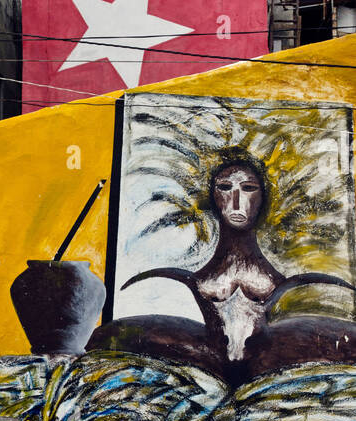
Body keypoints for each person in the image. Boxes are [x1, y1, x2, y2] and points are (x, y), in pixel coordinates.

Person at [88, 156, 356, 385]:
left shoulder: (285, 282)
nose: (236, 202)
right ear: (214, 197)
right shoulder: (187, 279)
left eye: (249, 188)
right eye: (225, 188)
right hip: (208, 364)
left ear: (263, 197)